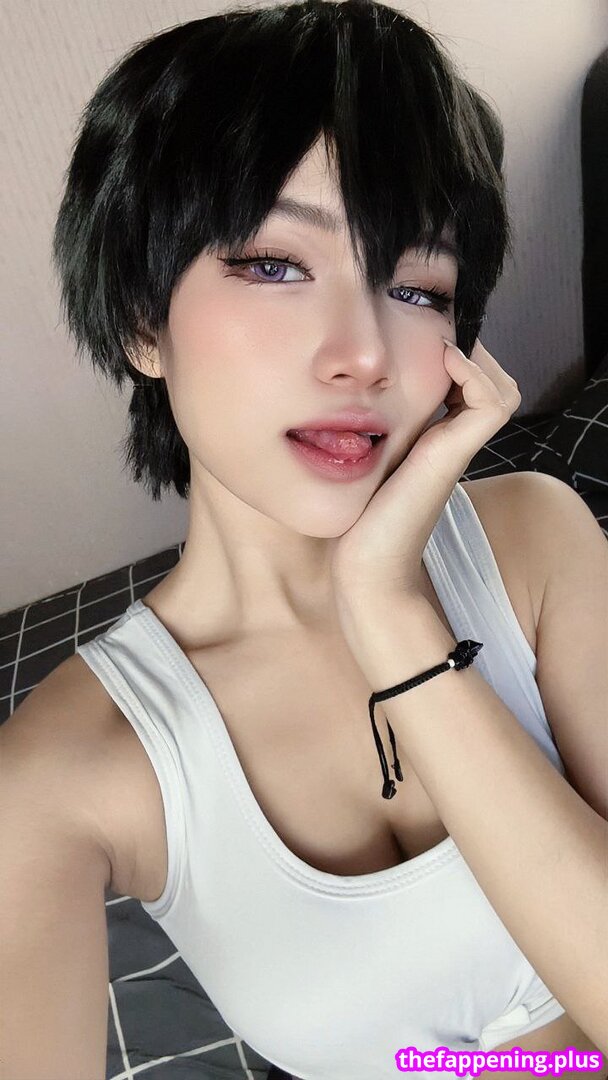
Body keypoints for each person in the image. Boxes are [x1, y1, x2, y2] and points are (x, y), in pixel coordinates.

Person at [2, 3, 607, 1079]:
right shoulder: (60, 775)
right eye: (276, 264)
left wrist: (389, 611)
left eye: (416, 287)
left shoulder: (537, 536)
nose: (363, 353)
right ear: (142, 318)